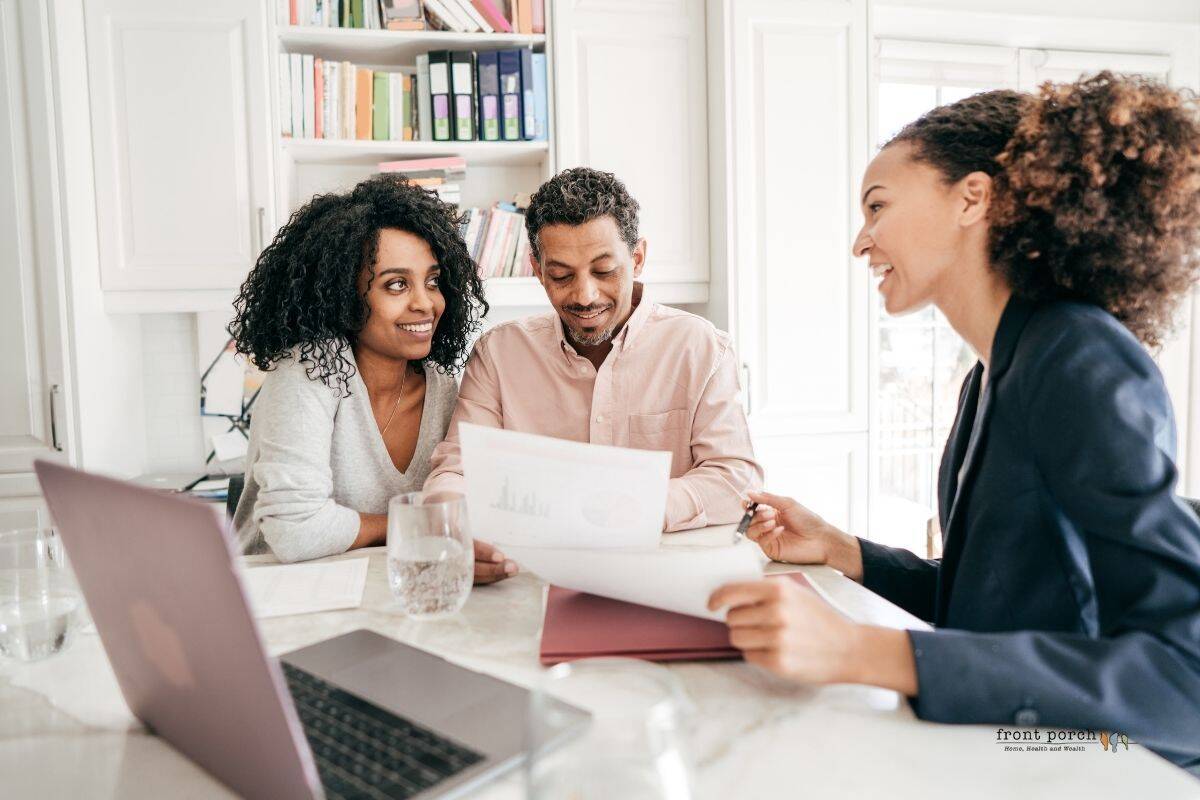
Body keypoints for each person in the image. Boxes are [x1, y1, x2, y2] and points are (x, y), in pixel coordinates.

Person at [709, 73, 1200, 771]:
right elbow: (993, 604)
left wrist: (857, 649)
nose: (861, 241)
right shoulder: (994, 372)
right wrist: (844, 550)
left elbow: (1184, 681)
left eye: (877, 206)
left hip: (1106, 769)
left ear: (974, 197)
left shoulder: (1076, 355)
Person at [424, 167, 763, 577]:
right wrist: (451, 527)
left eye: (604, 272)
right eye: (561, 276)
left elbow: (735, 480)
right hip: (531, 575)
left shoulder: (701, 348)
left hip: (664, 577)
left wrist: (638, 506)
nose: (585, 296)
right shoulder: (498, 354)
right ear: (536, 268)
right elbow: (457, 470)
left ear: (637, 258)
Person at [230, 174, 502, 578]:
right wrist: (414, 526)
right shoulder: (310, 370)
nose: (425, 303)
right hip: (276, 596)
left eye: (432, 281)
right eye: (396, 285)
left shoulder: (441, 385)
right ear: (344, 296)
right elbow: (296, 532)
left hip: (381, 589)